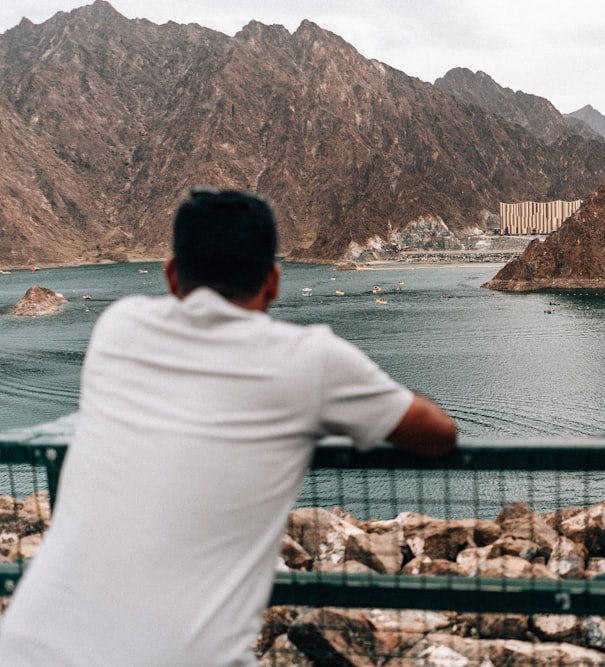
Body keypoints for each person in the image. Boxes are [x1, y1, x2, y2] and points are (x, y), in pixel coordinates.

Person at [0, 189, 457, 665]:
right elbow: (438, 433)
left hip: (26, 646)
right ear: (274, 281)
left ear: (172, 275)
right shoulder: (310, 360)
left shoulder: (118, 328)